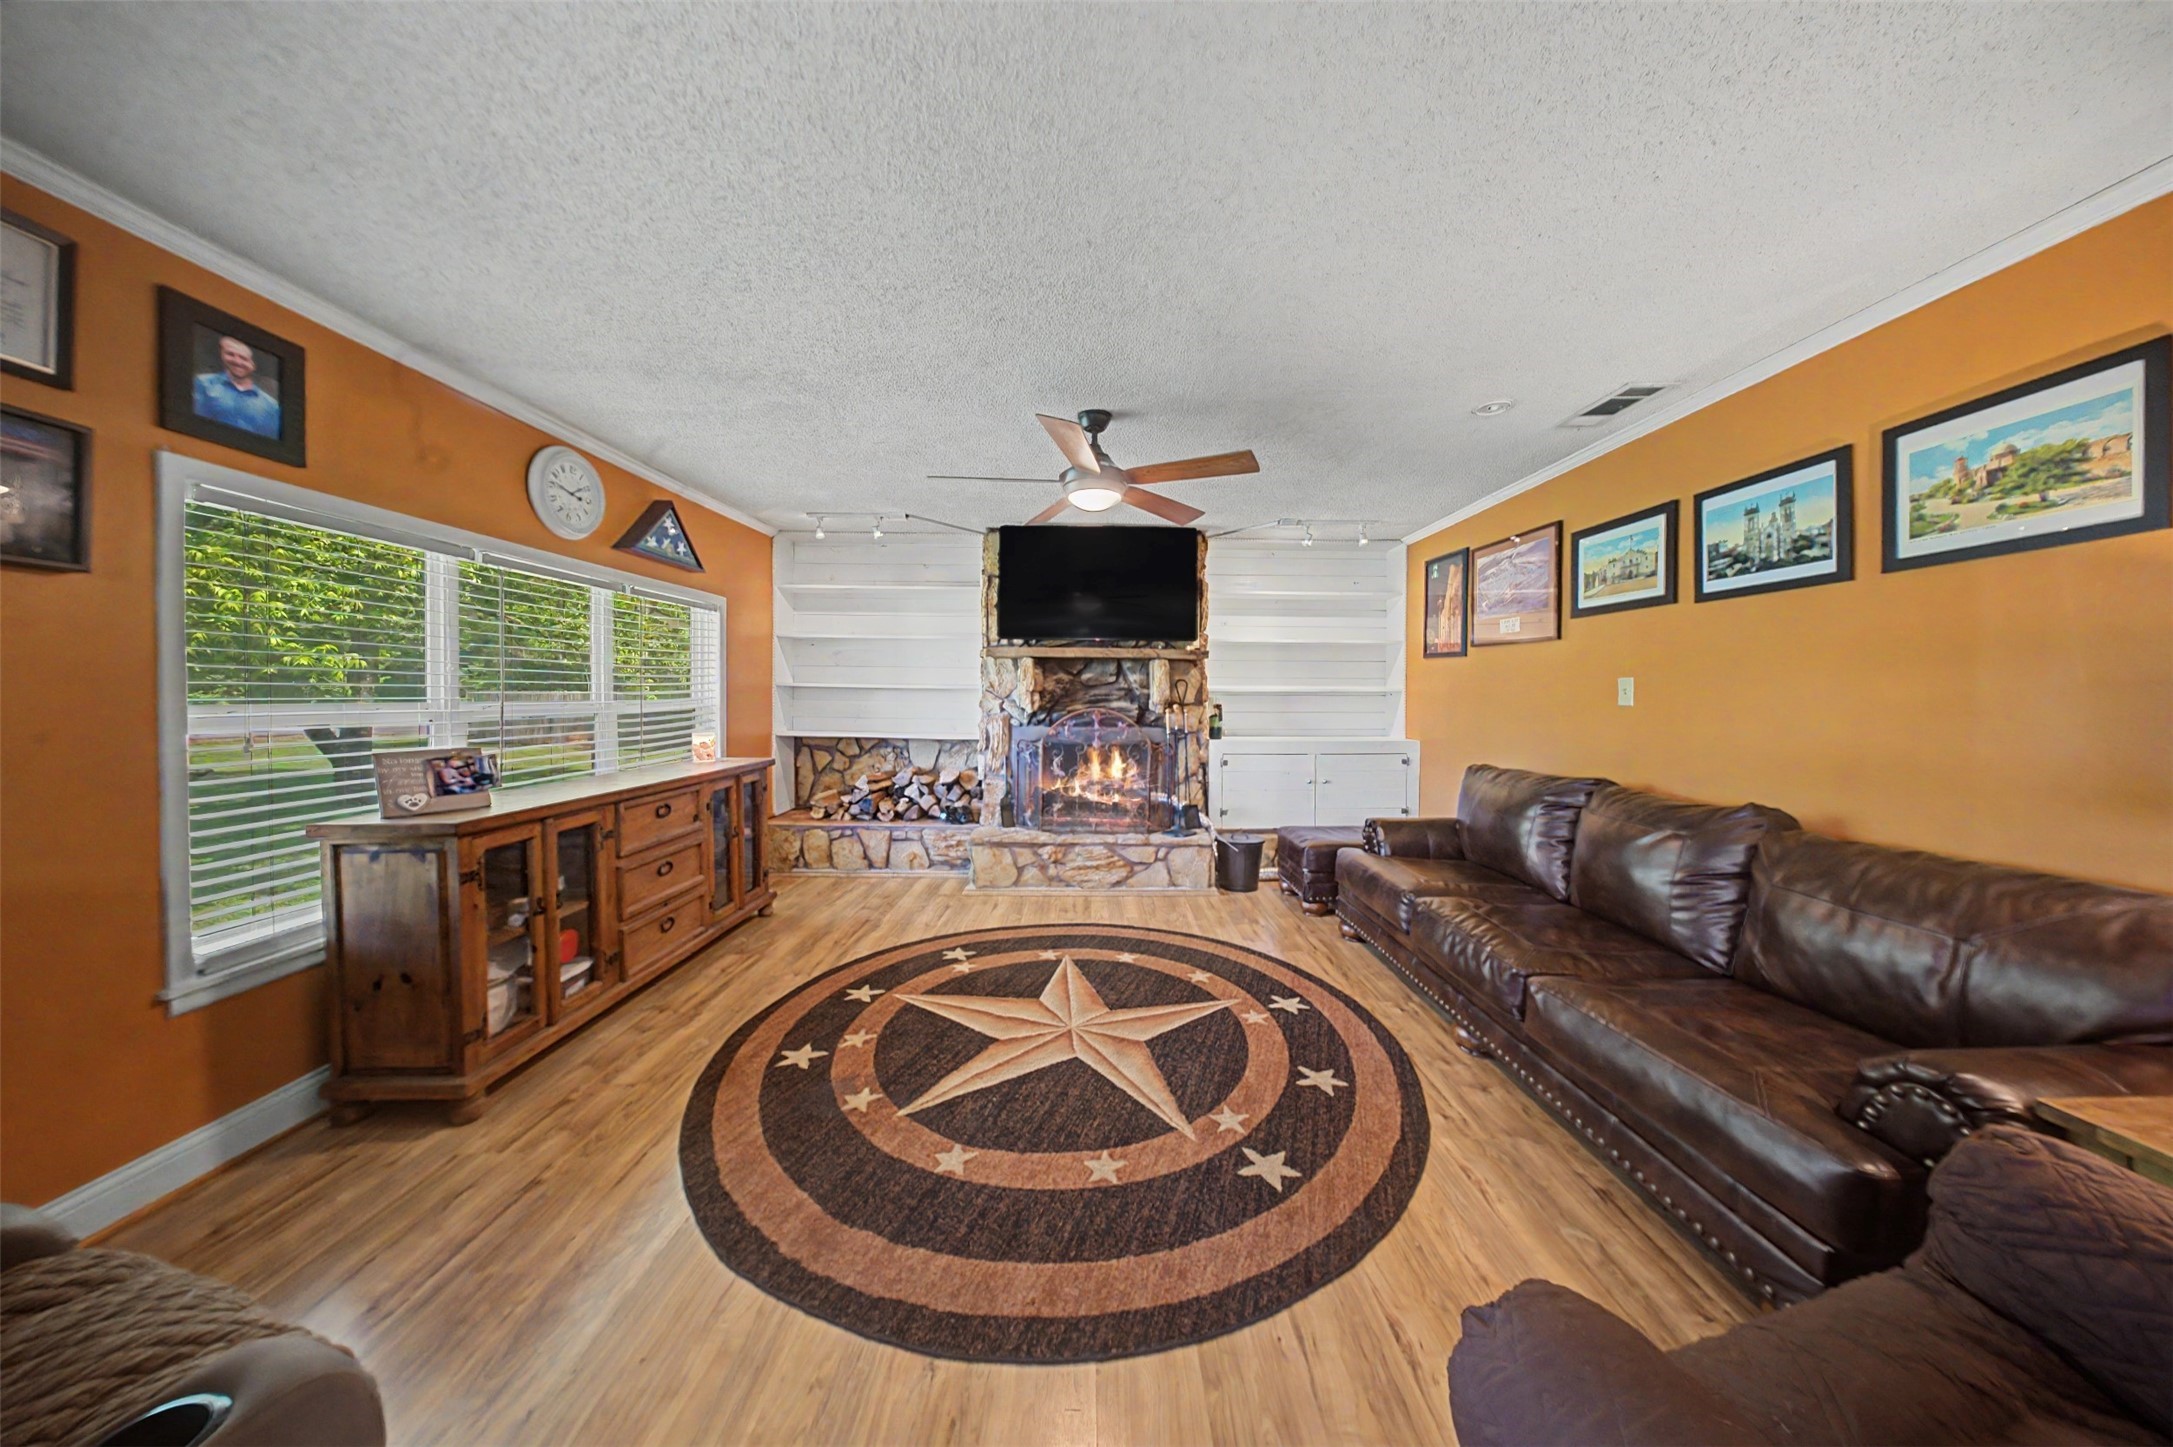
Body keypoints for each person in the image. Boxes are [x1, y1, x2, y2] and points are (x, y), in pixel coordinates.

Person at [193, 334, 281, 438]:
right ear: (221, 356)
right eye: (230, 354)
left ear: (253, 365)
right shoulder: (202, 384)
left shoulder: (271, 406)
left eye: (244, 358)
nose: (237, 361)